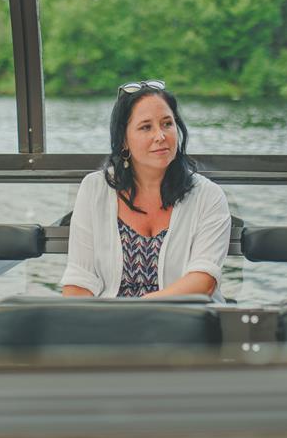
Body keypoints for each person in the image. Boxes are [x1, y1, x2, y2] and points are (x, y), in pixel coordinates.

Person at [61, 80, 232, 302]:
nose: (160, 136)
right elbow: (79, 280)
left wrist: (139, 313)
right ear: (124, 140)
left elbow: (203, 280)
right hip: (110, 326)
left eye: (167, 124)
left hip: (185, 321)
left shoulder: (208, 195)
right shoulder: (94, 190)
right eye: (146, 127)